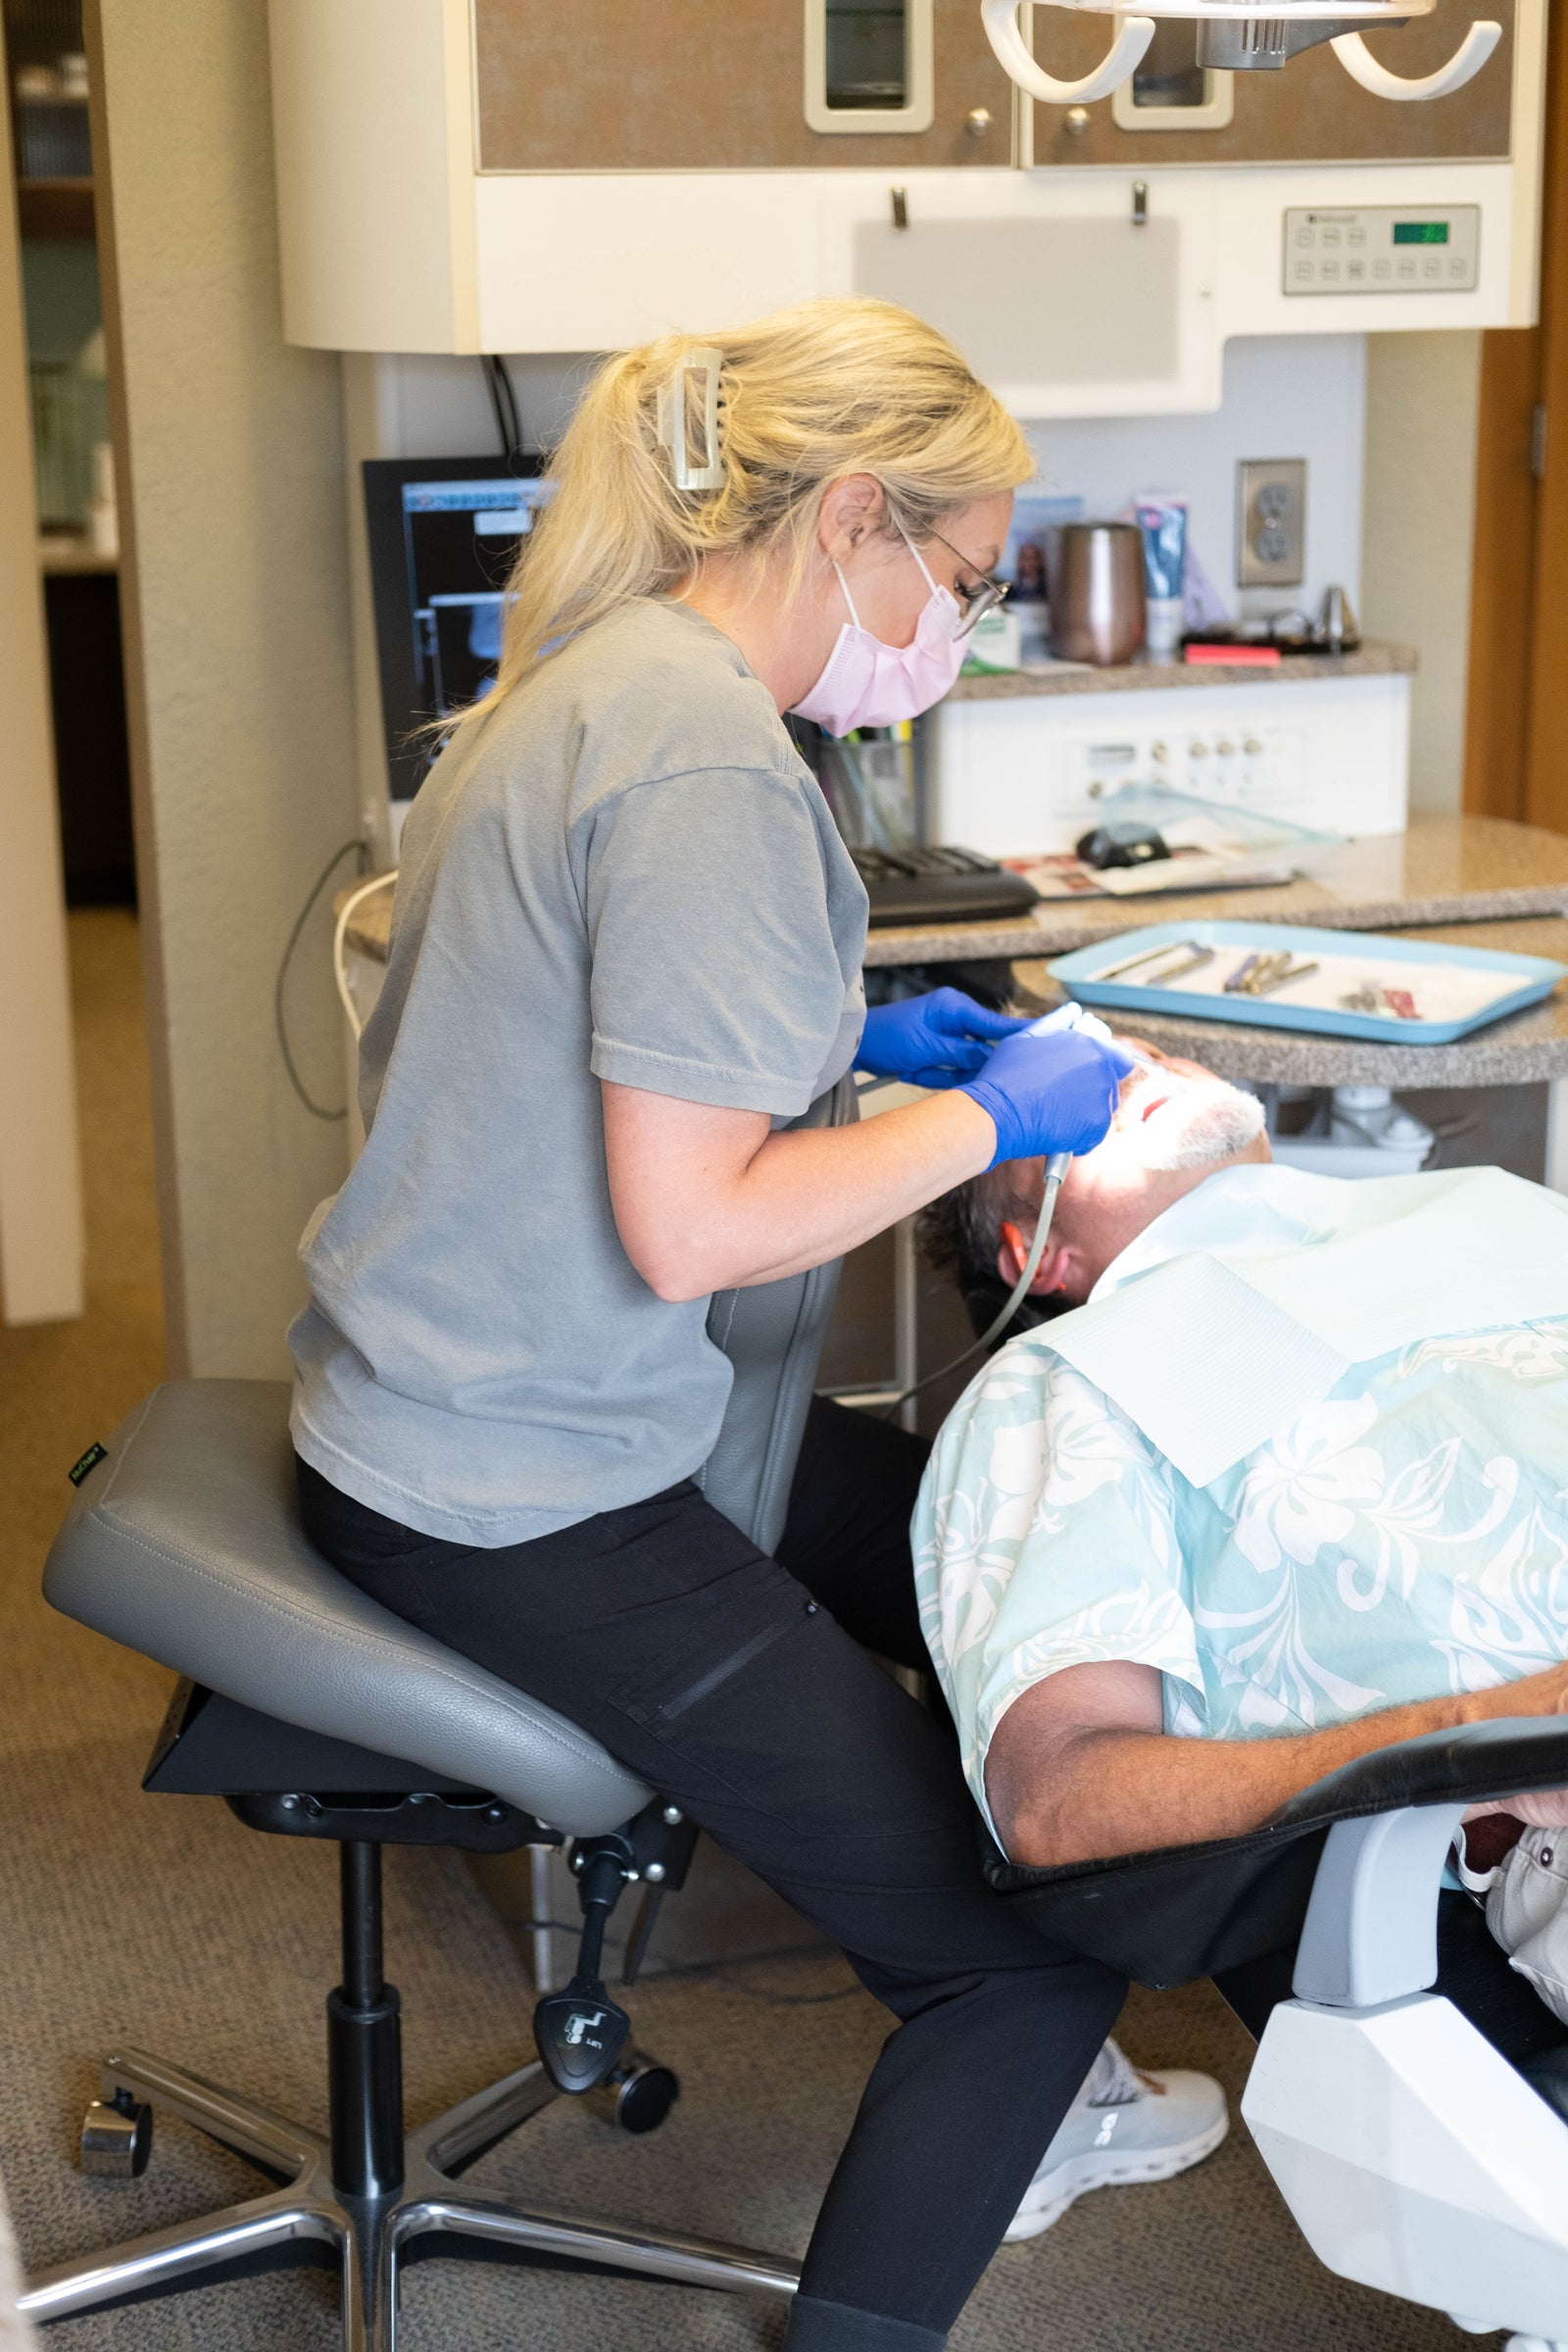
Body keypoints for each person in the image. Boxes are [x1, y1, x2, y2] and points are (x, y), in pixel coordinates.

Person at [287, 300, 1217, 2352]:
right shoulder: (703, 753)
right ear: (859, 518)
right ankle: (1009, 2079)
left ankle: (1031, 2099)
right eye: (966, 583)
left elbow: (602, 1032)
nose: (956, 632)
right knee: (1015, 1964)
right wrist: (993, 1110)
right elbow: (693, 1224)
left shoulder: (603, 676)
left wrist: (856, 1038)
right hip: (521, 1478)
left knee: (1010, 1565)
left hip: (470, 1396)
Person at [913, 1042, 1568, 1882]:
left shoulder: (1494, 1204)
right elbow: (1056, 1798)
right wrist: (1491, 1732)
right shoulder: (1063, 1383)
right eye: (1070, 1103)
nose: (1132, 1073)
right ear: (1036, 1255)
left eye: (1137, 1051)